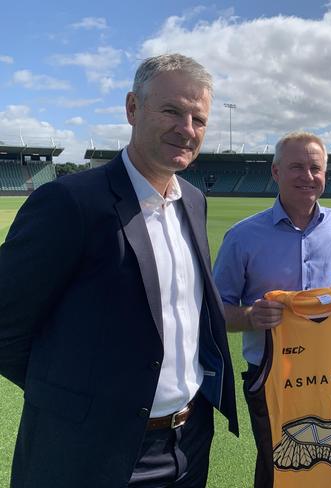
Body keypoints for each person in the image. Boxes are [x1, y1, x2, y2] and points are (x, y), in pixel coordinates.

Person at [0, 53, 238, 488]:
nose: (186, 130)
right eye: (171, 111)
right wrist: (77, 400)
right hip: (94, 450)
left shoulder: (194, 201)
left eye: (198, 119)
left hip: (188, 443)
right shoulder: (69, 202)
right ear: (132, 108)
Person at [213, 131, 331, 485]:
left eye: (315, 168)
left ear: (325, 174)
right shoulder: (242, 237)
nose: (308, 176)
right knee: (276, 465)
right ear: (275, 172)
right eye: (296, 167)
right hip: (273, 373)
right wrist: (248, 317)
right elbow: (213, 311)